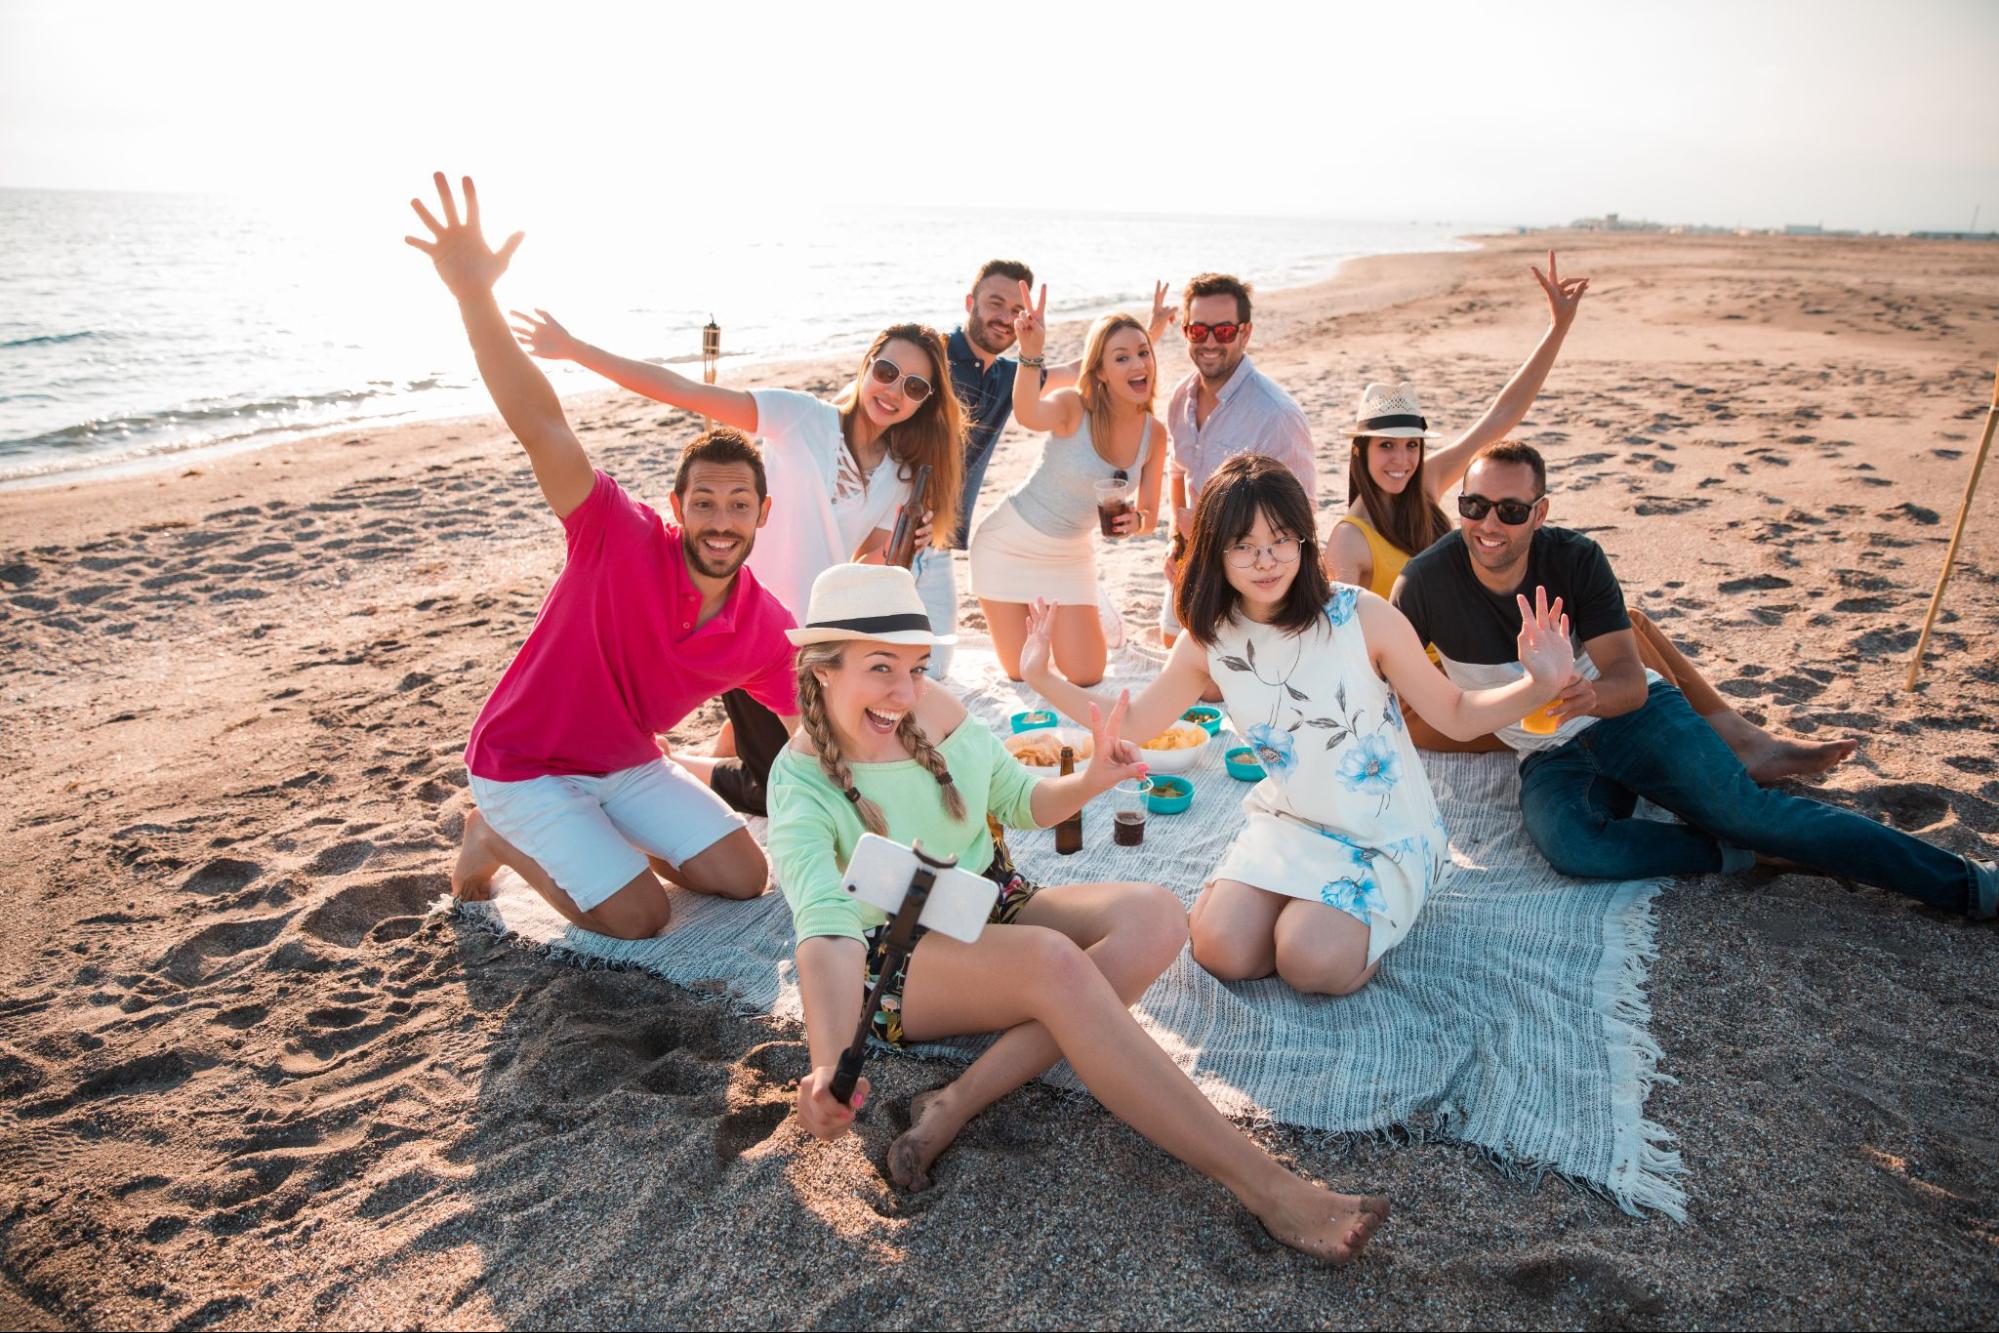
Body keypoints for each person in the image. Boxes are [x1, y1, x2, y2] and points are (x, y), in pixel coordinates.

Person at [765, 562, 1390, 1263]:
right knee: (1054, 965)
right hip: (899, 961)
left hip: (991, 905)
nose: (902, 691)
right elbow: (824, 933)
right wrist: (826, 1064)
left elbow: (1019, 800)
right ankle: (1265, 1186)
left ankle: (956, 1100)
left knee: (1155, 914)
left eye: (913, 665)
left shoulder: (929, 705)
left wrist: (1093, 777)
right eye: (879, 668)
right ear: (821, 670)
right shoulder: (798, 784)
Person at [1023, 454, 1578, 995]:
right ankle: (1310, 916)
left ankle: (1354, 922)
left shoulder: (1362, 616)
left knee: (1307, 962)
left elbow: (1455, 716)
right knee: (1220, 951)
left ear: (1304, 540)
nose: (1265, 561)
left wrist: (1540, 686)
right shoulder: (1208, 638)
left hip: (1382, 832)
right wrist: (1043, 678)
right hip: (1293, 821)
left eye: (1280, 540)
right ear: (1215, 553)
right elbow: (1137, 723)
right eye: (1243, 546)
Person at [405, 173, 788, 935]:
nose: (720, 522)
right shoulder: (614, 530)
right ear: (677, 508)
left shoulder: (762, 623)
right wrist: (474, 296)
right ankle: (495, 835)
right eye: (703, 503)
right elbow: (539, 421)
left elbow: (827, 717)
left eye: (738, 506)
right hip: (524, 763)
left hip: (628, 761)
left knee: (746, 878)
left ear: (760, 515)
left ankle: (605, 838)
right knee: (638, 917)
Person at [1392, 441, 1999, 917]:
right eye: (1473, 506)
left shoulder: (1575, 559)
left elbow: (1630, 679)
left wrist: (1588, 694)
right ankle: (1733, 851)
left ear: (1539, 513)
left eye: (1510, 510)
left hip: (1633, 720)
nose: (1488, 524)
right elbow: (1377, 678)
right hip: (1548, 754)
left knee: (1755, 812)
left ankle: (1969, 885)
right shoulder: (1425, 582)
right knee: (1577, 849)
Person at [1326, 254, 1853, 782]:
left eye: (1410, 445)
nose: (1400, 459)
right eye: (1385, 446)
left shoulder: (1425, 484)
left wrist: (1558, 328)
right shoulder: (1350, 540)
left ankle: (1739, 740)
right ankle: (1720, 751)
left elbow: (1502, 418)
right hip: (1436, 697)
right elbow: (1343, 646)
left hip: (1480, 655)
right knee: (1592, 681)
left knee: (1626, 626)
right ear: (1360, 454)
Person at [512, 305, 964, 783]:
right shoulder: (800, 417)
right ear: (868, 363)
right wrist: (574, 350)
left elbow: (859, 566)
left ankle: (715, 744)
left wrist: (902, 548)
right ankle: (675, 764)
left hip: (809, 639)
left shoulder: (900, 474)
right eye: (888, 371)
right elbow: (685, 391)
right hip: (746, 622)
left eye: (914, 386)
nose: (894, 391)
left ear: (924, 402)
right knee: (778, 777)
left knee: (813, 763)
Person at [934, 263, 1175, 676]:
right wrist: (1031, 352)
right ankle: (1048, 610)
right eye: (1121, 357)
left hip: (1071, 556)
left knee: (1087, 675)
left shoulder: (1154, 434)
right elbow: (1027, 412)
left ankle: (1071, 609)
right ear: (1100, 370)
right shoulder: (1072, 407)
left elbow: (1149, 518)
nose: (1138, 364)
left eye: (1143, 354)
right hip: (1008, 545)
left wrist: (1135, 521)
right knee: (1025, 671)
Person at [1159, 273, 1316, 645]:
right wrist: (1177, 539)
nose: (1210, 342)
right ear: (1185, 332)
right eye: (1198, 331)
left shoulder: (1276, 416)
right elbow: (1177, 469)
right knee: (1170, 642)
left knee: (1210, 682)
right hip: (1194, 558)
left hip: (1252, 570)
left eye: (1224, 331)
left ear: (1245, 333)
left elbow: (1300, 518)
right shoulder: (1182, 397)